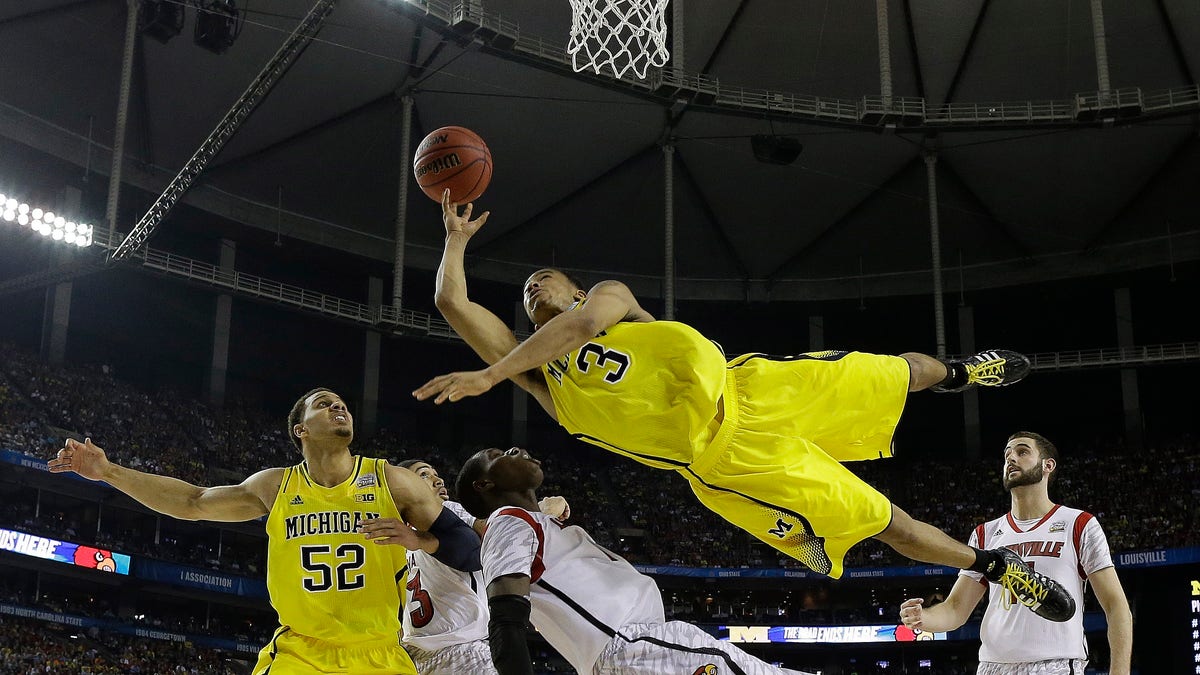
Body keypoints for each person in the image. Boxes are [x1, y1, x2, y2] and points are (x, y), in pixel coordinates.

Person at [411, 191, 1072, 622]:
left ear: (575, 287)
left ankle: (960, 372)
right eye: (527, 292)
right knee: (884, 521)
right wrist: (456, 240)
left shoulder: (607, 300)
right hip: (724, 457)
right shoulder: (544, 379)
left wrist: (490, 374)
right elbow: (452, 303)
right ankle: (1000, 569)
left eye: (544, 279)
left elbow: (581, 328)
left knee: (893, 373)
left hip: (751, 387)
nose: (534, 287)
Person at [47, 388, 481, 675]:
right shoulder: (276, 486)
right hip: (301, 654)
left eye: (343, 404)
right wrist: (106, 471)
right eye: (325, 403)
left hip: (379, 653)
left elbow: (471, 550)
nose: (340, 407)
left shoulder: (393, 481)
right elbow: (191, 502)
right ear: (302, 430)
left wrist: (420, 540)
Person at [453, 446, 813, 675]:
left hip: (631, 652)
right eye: (499, 454)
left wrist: (548, 507)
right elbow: (505, 620)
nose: (517, 448)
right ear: (484, 485)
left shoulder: (532, 521)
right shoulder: (509, 523)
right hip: (630, 645)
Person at [899, 432, 1132, 675]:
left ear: (1047, 465)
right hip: (992, 666)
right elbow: (956, 610)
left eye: (1022, 452)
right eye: (1007, 454)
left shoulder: (1079, 523)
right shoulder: (985, 534)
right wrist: (922, 618)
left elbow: (1116, 606)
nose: (1011, 458)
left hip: (1055, 665)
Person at [359, 458, 570, 674]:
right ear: (405, 487)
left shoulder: (388, 533)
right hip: (461, 650)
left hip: (412, 657)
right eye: (423, 475)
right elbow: (495, 528)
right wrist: (543, 508)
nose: (437, 479)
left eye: (434, 473)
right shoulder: (445, 512)